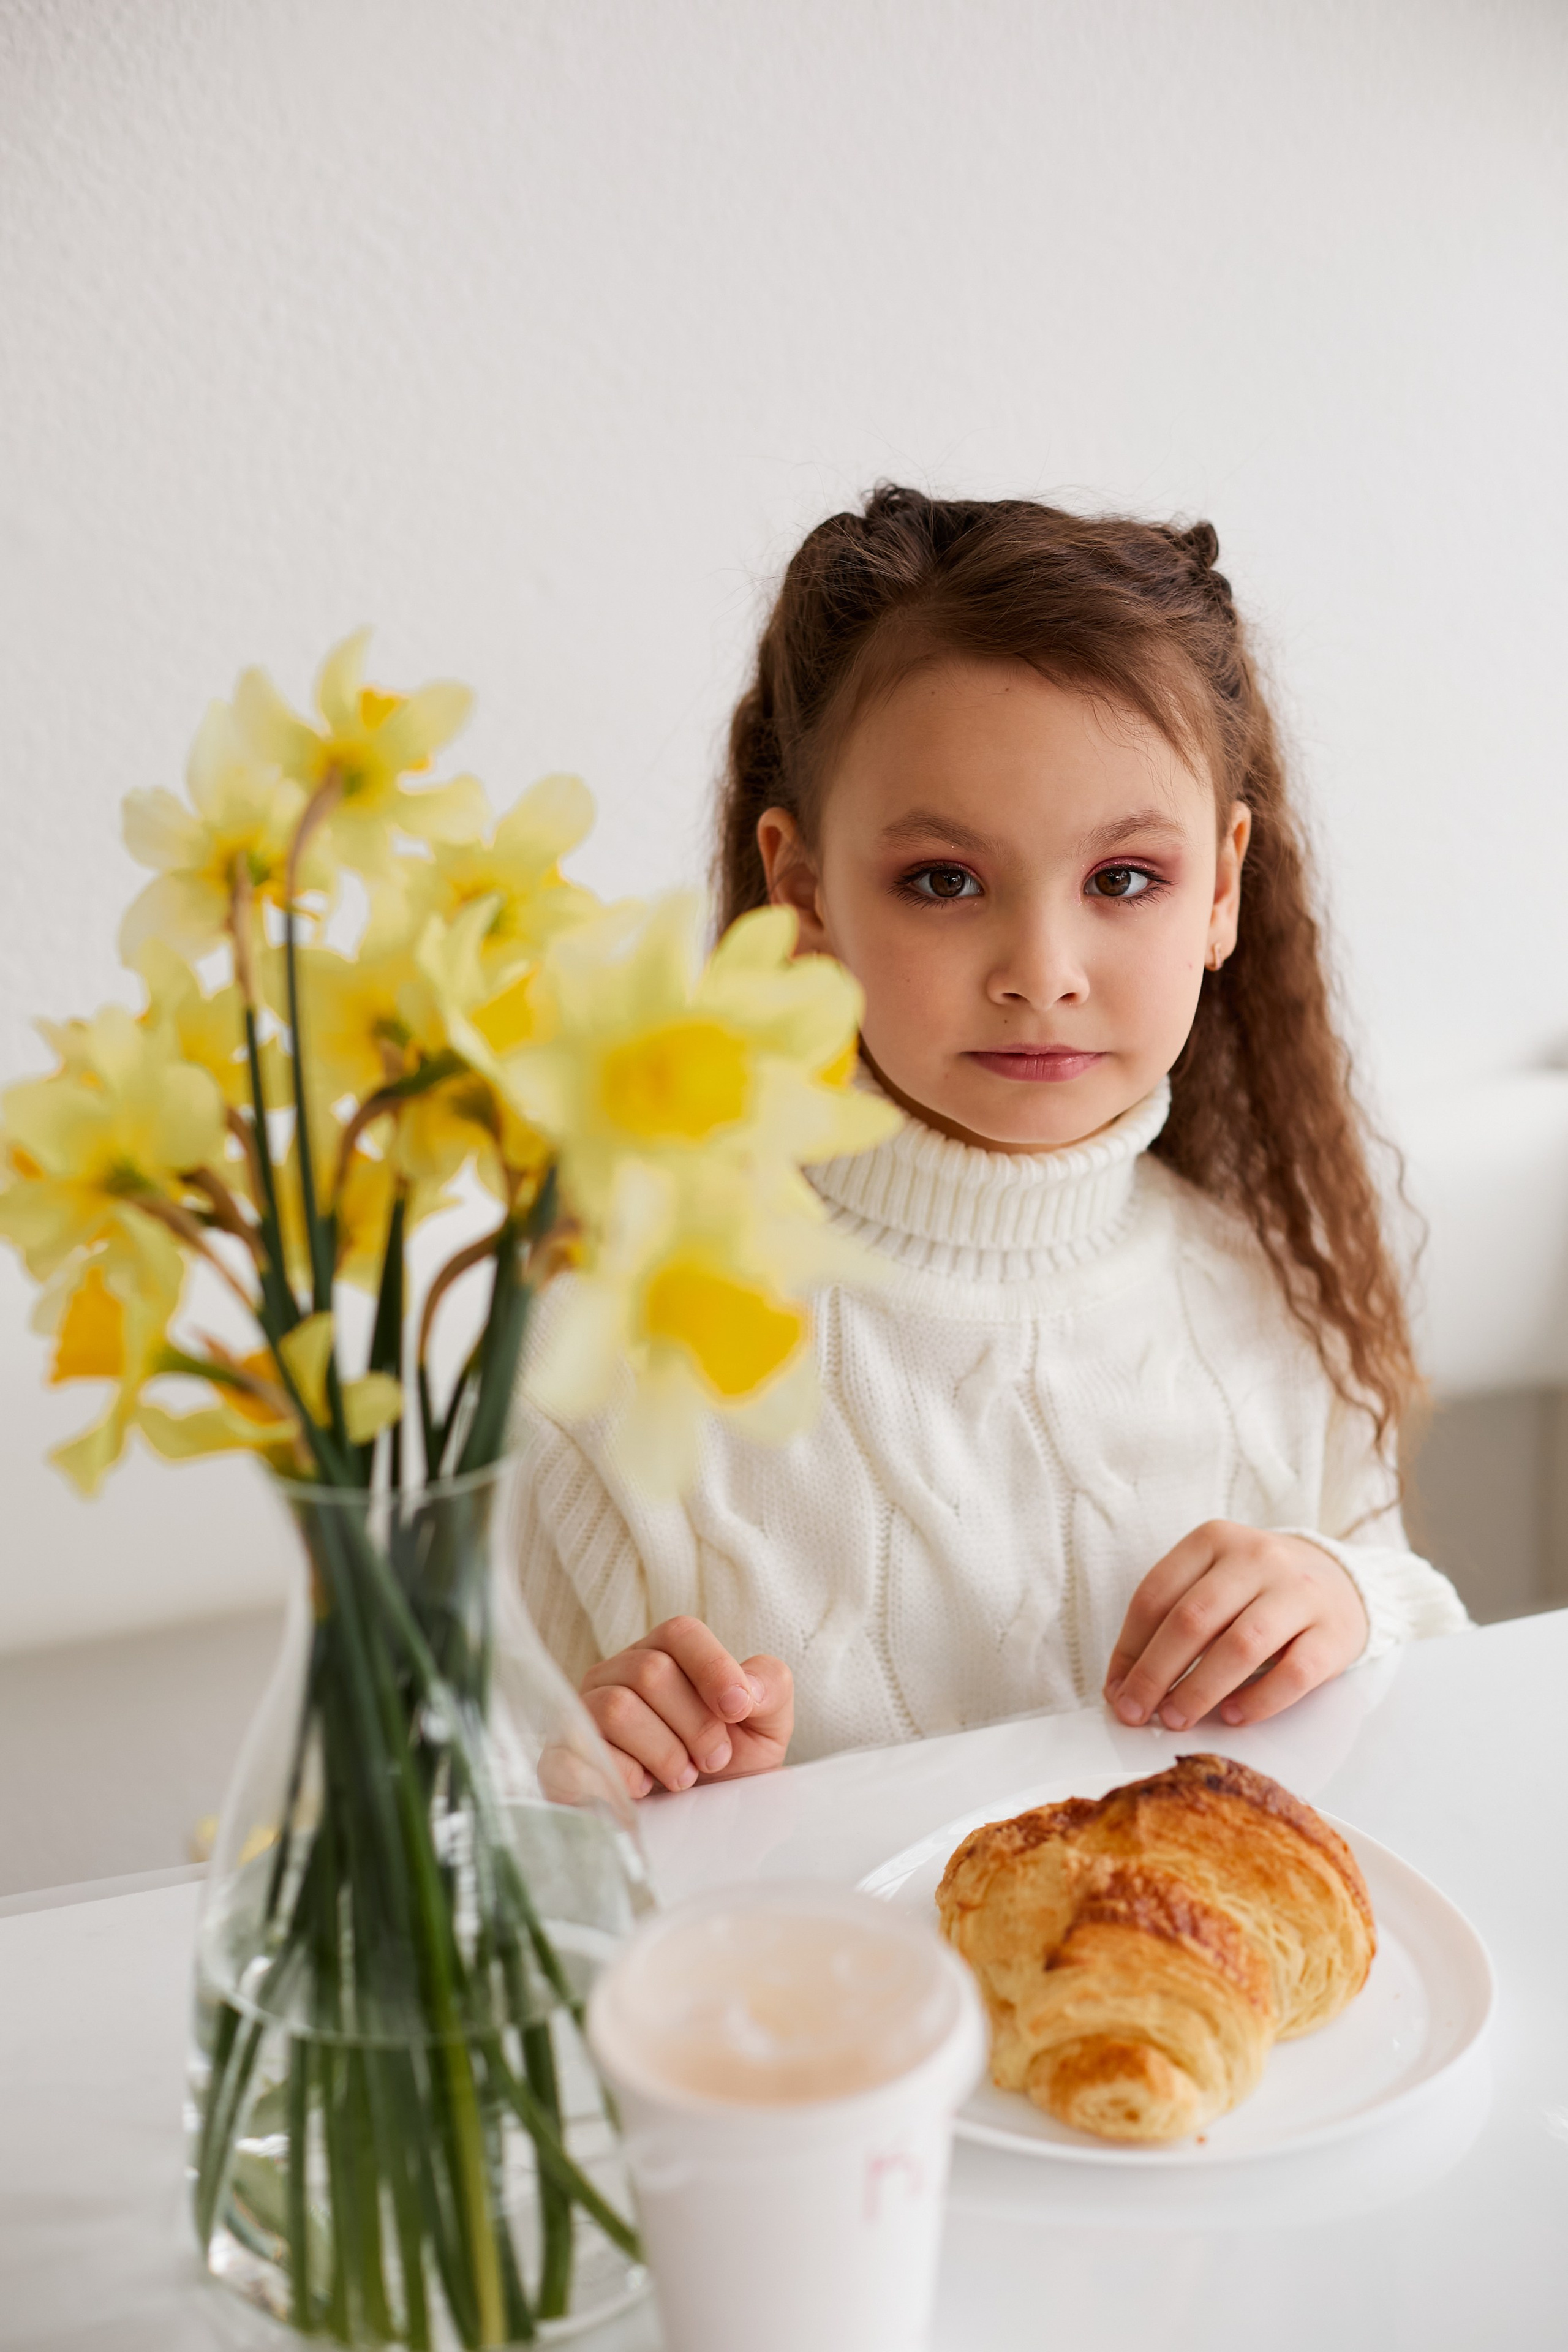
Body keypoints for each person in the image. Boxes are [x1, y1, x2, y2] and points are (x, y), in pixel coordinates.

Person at [518, 486, 1467, 1800]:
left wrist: (1348, 1602)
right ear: (802, 895)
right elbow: (440, 1817)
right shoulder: (623, 1338)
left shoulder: (1272, 1306)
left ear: (1221, 888)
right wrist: (580, 1766)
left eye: (1123, 880)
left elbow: (1425, 1729)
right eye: (943, 882)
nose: (1041, 971)